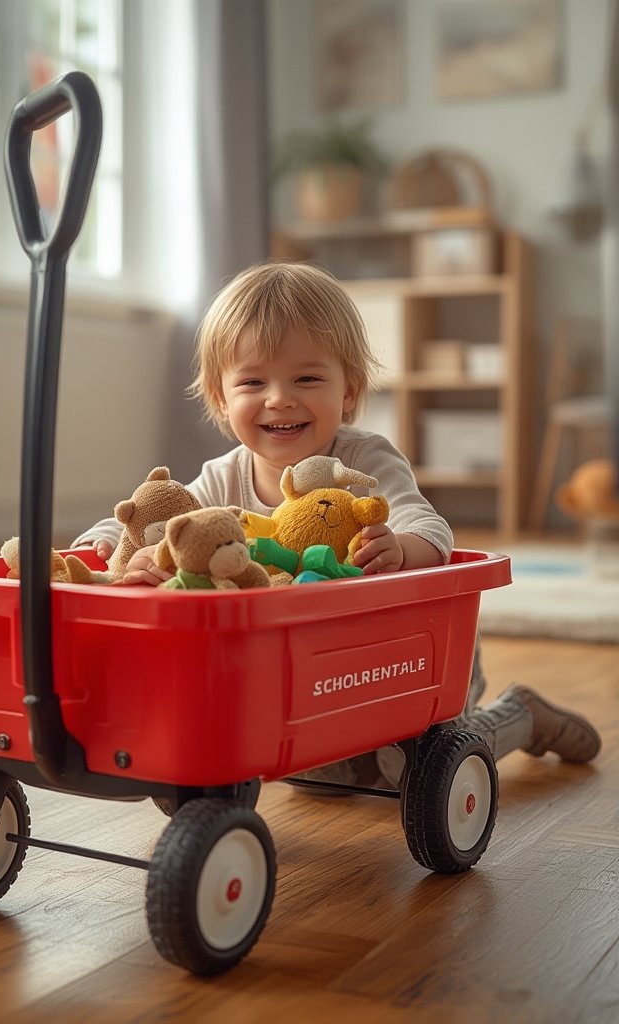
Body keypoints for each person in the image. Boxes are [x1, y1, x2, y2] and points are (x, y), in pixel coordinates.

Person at [73, 261, 600, 786]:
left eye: (307, 377)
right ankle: (356, 758)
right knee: (314, 771)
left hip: (408, 663)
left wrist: (401, 548)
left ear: (348, 391)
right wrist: (109, 556)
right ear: (220, 397)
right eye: (253, 381)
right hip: (317, 679)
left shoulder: (365, 462)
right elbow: (152, 524)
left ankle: (520, 712)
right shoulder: (218, 481)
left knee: (416, 769)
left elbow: (432, 527)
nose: (279, 397)